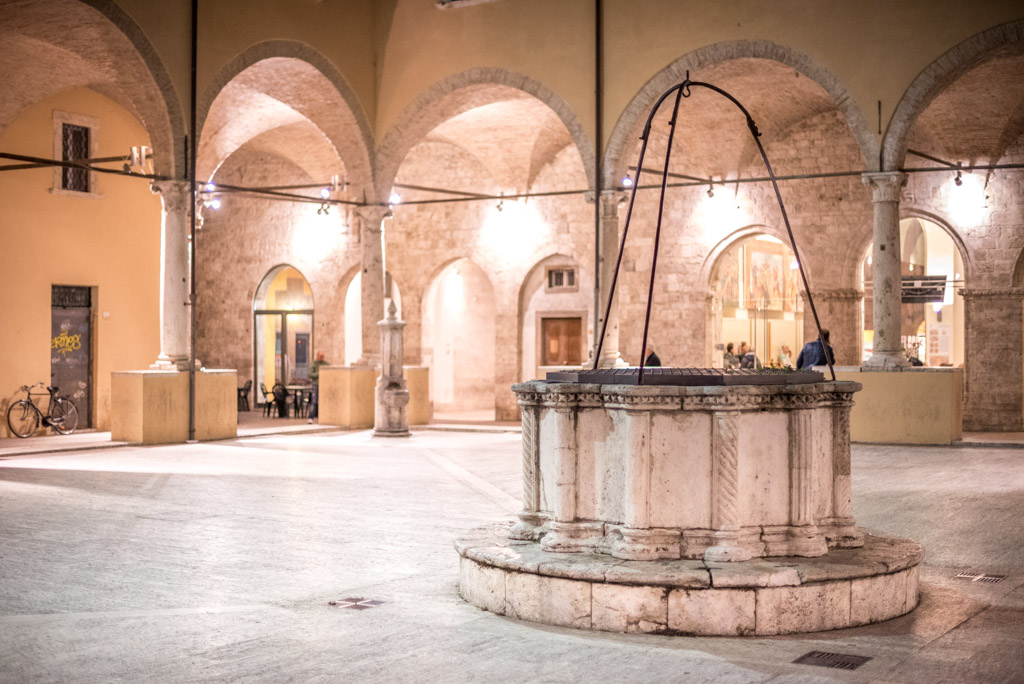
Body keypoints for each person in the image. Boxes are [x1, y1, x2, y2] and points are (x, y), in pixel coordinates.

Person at [307, 350, 329, 423]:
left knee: (324, 401)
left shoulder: (326, 364)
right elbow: (310, 374)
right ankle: (311, 417)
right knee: (314, 401)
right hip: (316, 385)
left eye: (323, 356)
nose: (322, 358)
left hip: (324, 385)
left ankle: (323, 417)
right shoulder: (313, 364)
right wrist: (320, 373)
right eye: (320, 356)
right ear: (317, 356)